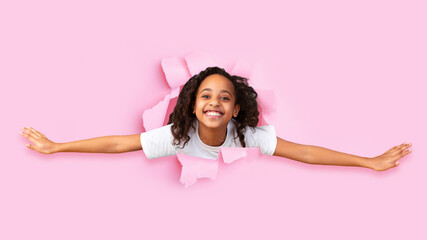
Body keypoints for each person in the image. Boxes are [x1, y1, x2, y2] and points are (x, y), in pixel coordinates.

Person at [20, 66, 412, 171]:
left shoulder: (246, 136)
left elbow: (305, 152)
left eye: (224, 97)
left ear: (235, 109)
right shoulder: (175, 137)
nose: (215, 102)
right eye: (206, 95)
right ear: (192, 105)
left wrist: (368, 161)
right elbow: (119, 144)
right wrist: (57, 146)